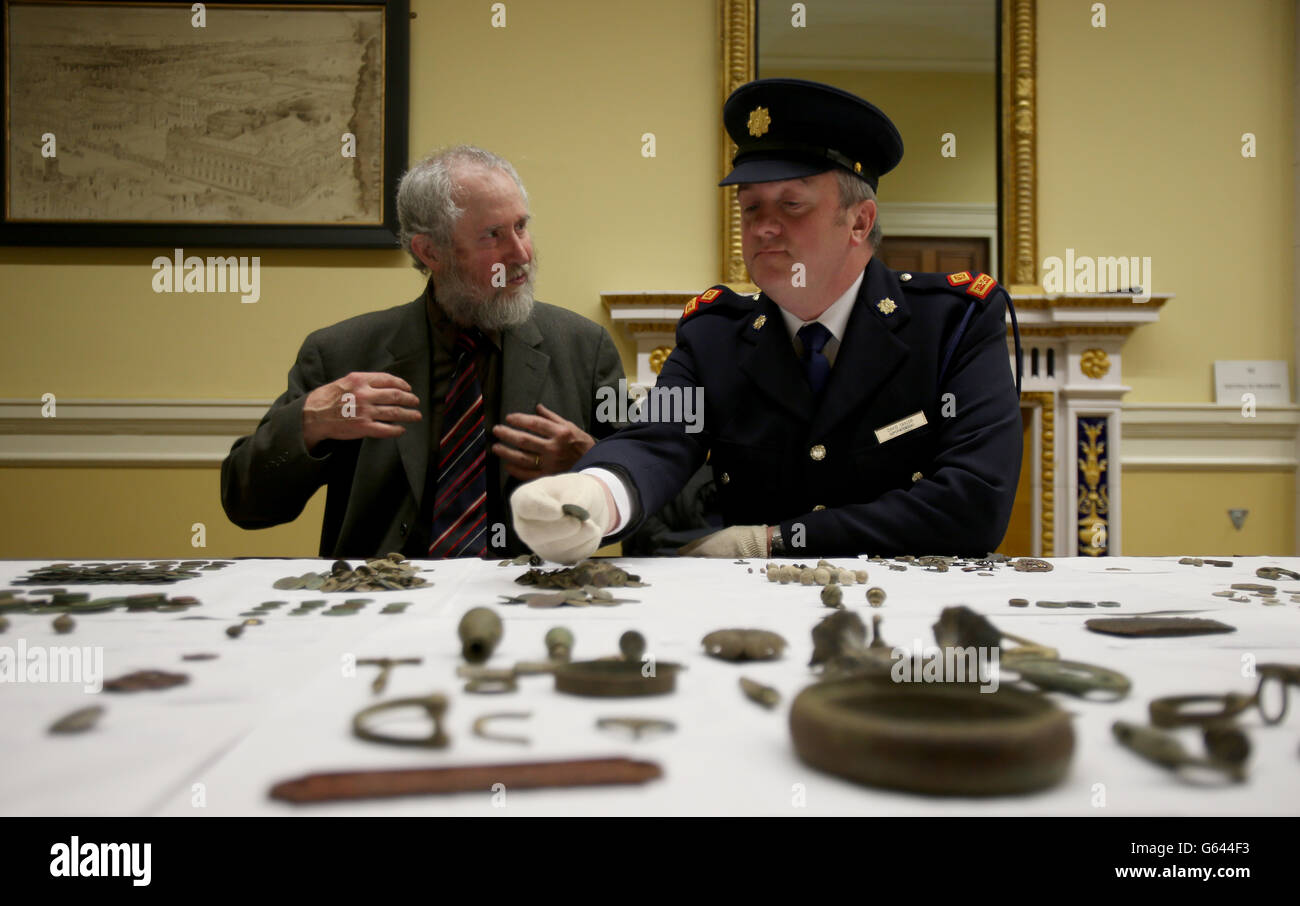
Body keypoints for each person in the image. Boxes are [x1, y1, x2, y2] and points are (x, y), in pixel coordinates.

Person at [511, 79, 1022, 562]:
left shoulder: (954, 323)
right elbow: (659, 440)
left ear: (859, 221)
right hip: (756, 622)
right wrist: (598, 495)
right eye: (750, 208)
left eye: (791, 205)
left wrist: (775, 541)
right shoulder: (715, 335)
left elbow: (975, 500)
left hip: (912, 614)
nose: (763, 228)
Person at [221, 145, 625, 558]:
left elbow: (649, 503)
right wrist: (310, 421)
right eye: (493, 235)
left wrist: (589, 467)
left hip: (530, 604)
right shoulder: (341, 353)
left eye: (521, 227)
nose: (521, 254)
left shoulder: (583, 348)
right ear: (430, 252)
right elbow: (247, 506)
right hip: (384, 604)